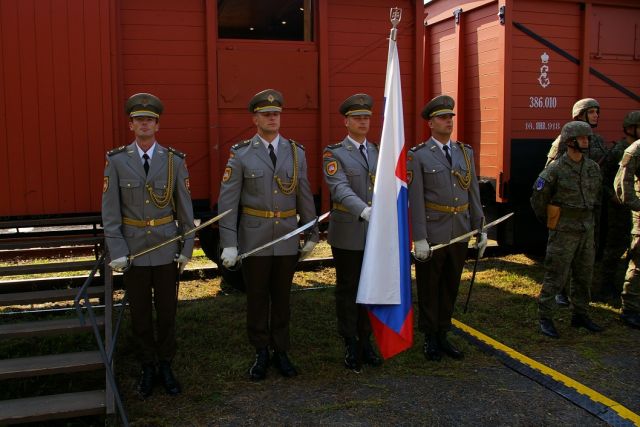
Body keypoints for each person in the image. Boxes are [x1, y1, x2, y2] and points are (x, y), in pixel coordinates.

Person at [217, 89, 319, 380]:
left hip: (286, 236)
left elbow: (304, 195)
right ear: (255, 119)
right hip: (255, 238)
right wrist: (229, 244)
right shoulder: (241, 154)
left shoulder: (296, 152)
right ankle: (261, 350)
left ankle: (281, 350)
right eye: (266, 114)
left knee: (283, 297)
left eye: (276, 114)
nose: (272, 118)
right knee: (258, 297)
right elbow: (227, 203)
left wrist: (311, 233)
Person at [102, 93, 194, 398]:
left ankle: (166, 364)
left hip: (166, 248)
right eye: (139, 120)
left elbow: (185, 210)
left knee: (167, 312)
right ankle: (147, 366)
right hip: (134, 252)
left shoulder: (174, 160)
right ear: (131, 125)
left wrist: (186, 248)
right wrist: (117, 251)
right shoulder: (116, 161)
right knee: (140, 313)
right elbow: (110, 213)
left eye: (150, 120)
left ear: (157, 125)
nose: (144, 124)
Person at [407, 95, 486, 361]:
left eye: (450, 117)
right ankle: (430, 337)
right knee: (429, 287)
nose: (448, 121)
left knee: (451, 285)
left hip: (460, 231)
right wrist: (419, 237)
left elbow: (473, 193)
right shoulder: (418, 155)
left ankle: (443, 332)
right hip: (434, 232)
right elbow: (416, 200)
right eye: (442, 118)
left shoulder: (465, 152)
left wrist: (481, 229)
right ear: (431, 123)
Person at [323, 93, 382, 372]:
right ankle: (350, 341)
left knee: (370, 288)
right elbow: (339, 188)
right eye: (357, 118)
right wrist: (364, 210)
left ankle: (366, 340)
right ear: (346, 122)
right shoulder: (334, 153)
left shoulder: (378, 151)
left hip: (375, 233)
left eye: (366, 117)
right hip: (348, 231)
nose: (363, 122)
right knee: (349, 288)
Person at [531, 121, 604, 338]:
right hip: (564, 230)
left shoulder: (592, 168)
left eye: (587, 138)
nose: (586, 141)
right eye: (582, 138)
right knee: (556, 275)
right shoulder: (555, 170)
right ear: (570, 141)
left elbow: (597, 197)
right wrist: (552, 220)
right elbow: (538, 199)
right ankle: (545, 317)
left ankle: (580, 314)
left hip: (586, 228)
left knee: (584, 274)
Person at [545, 98, 609, 307]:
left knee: (587, 250)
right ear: (580, 115)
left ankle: (582, 292)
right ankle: (560, 291)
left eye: (596, 112)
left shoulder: (597, 141)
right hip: (568, 207)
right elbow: (549, 172)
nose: (595, 115)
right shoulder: (563, 141)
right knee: (564, 253)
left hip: (591, 204)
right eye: (591, 112)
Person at [597, 111, 640, 299]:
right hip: (619, 209)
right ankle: (606, 285)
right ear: (630, 128)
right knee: (615, 247)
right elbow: (601, 179)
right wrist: (612, 196)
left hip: (635, 208)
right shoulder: (619, 151)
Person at [613, 125, 640, 330]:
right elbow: (621, 183)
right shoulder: (635, 150)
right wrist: (637, 206)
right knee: (639, 262)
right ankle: (630, 309)